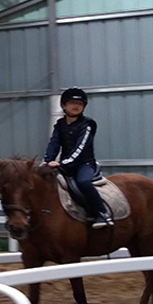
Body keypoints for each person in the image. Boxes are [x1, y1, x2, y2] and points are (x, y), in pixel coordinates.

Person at [41, 87, 112, 230]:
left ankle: (102, 213)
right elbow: (54, 143)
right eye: (72, 103)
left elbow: (80, 149)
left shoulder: (87, 125)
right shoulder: (60, 125)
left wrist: (61, 163)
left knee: (84, 182)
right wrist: (47, 160)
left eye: (79, 104)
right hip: (66, 164)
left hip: (83, 164)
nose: (75, 106)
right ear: (63, 106)